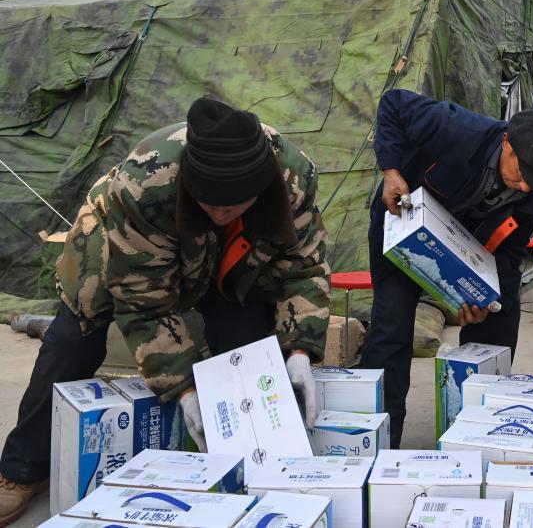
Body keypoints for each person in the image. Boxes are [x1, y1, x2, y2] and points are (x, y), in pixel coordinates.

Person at [0, 98, 330, 528]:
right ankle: (21, 470)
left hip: (233, 257)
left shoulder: (293, 179)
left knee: (248, 346)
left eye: (232, 205)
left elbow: (304, 267)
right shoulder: (143, 183)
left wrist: (300, 348)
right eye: (211, 203)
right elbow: (143, 300)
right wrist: (183, 388)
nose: (220, 212)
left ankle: (255, 464)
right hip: (125, 242)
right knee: (71, 340)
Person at [360, 89, 533, 447]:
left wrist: (480, 295)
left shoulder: (532, 185)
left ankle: (477, 434)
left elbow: (508, 253)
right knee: (392, 328)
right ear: (507, 143)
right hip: (405, 226)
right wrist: (392, 170)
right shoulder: (456, 129)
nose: (525, 187)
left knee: (500, 313)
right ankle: (380, 442)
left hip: (464, 243)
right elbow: (393, 104)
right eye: (523, 174)